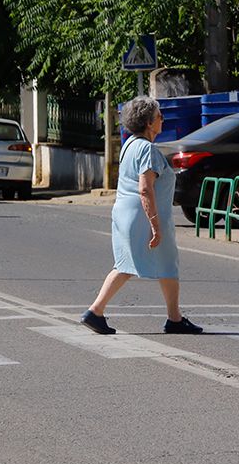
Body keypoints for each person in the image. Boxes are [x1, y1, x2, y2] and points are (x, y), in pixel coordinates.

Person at [80, 96, 201, 336]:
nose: (162, 120)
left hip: (125, 213)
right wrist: (155, 226)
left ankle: (174, 318)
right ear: (148, 122)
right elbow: (145, 188)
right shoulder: (147, 149)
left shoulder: (130, 144)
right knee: (133, 265)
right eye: (159, 116)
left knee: (159, 264)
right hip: (143, 217)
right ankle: (95, 311)